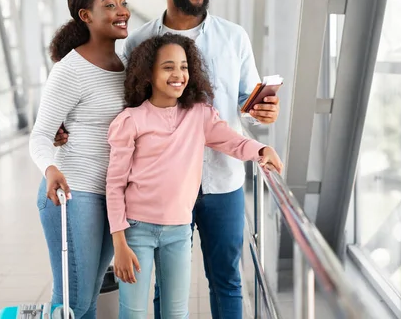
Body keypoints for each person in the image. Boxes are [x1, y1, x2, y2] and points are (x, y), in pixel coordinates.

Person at [52, 0, 281, 319]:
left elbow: (246, 107)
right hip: (157, 191)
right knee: (162, 288)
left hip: (222, 181)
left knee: (227, 279)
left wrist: (262, 117)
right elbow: (114, 96)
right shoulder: (139, 41)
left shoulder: (234, 37)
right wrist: (65, 121)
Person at [106, 33, 283, 319]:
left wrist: (262, 149)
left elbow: (233, 141)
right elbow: (114, 185)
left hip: (178, 229)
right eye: (168, 67)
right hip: (136, 230)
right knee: (134, 312)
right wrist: (119, 244)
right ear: (148, 73)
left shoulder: (200, 115)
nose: (178, 74)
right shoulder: (131, 120)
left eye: (184, 66)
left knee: (177, 312)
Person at [29, 0, 130, 319]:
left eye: (123, 3)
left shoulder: (127, 67)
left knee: (87, 298)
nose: (122, 11)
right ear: (85, 16)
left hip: (111, 194)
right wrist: (50, 169)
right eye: (110, 5)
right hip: (73, 192)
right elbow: (41, 134)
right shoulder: (70, 70)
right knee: (75, 301)